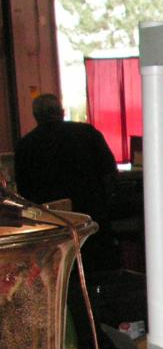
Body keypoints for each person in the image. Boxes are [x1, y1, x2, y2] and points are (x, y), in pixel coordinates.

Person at [14, 93, 120, 270]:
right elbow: (110, 173)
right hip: (91, 218)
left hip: (53, 228)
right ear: (62, 112)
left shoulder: (25, 146)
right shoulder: (87, 133)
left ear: (36, 116)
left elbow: (24, 193)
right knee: (99, 268)